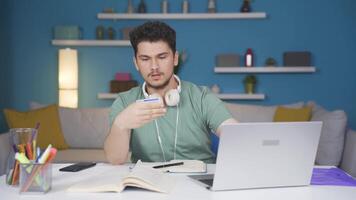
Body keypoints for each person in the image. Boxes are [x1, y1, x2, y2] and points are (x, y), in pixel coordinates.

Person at [104, 21, 237, 165]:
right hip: (147, 181)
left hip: (198, 181)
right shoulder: (124, 101)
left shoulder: (201, 97)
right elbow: (115, 159)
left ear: (175, 58)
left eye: (162, 57)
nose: (154, 67)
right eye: (145, 59)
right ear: (136, 62)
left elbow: (236, 135)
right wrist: (121, 124)